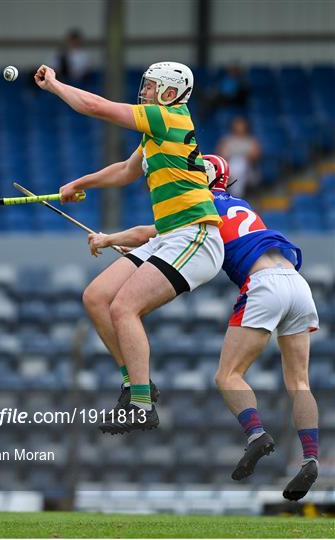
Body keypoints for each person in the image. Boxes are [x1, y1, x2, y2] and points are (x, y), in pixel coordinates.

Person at [88, 154, 320, 502]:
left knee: (228, 376)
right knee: (299, 381)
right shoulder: (240, 204)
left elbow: (148, 232)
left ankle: (257, 435)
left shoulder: (199, 205)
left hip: (263, 285)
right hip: (298, 284)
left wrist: (109, 239)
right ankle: (311, 456)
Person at [34, 61, 224, 433]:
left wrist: (56, 85)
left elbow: (94, 107)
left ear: (170, 94)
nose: (145, 90)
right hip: (168, 236)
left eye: (152, 86)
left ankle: (141, 405)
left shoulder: (167, 118)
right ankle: (134, 385)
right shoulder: (154, 134)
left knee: (124, 307)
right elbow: (125, 170)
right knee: (96, 297)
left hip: (195, 236)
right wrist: (79, 182)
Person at [217, 116, 261, 198]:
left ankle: (235, 195)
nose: (239, 127)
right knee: (235, 162)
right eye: (237, 125)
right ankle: (237, 195)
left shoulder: (250, 140)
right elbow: (221, 157)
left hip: (248, 169)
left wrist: (245, 157)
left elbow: (255, 157)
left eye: (241, 125)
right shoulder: (227, 140)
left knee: (240, 162)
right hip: (230, 167)